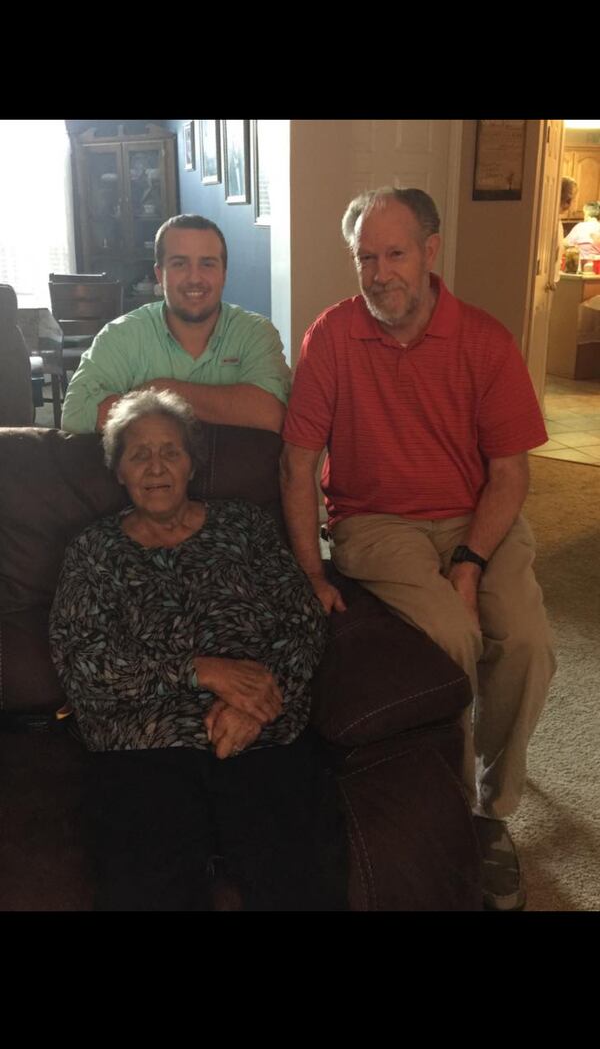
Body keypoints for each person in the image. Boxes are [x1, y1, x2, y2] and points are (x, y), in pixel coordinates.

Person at [280, 186, 557, 913]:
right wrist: (312, 568)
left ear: (431, 253)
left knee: (527, 640)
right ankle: (455, 809)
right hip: (377, 523)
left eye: (393, 254)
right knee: (452, 638)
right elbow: (299, 460)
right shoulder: (332, 336)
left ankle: (494, 808)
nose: (378, 274)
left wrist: (470, 559)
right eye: (365, 258)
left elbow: (510, 473)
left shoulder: (485, 339)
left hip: (477, 513)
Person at [49, 389, 347, 911]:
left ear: (192, 463)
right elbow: (83, 664)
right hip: (143, 749)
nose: (156, 466)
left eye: (171, 451)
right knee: (145, 889)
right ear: (118, 470)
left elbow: (301, 618)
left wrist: (256, 701)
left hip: (260, 731)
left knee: (300, 882)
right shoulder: (93, 551)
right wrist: (200, 671)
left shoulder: (245, 526)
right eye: (139, 453)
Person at [60, 214, 291, 435]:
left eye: (207, 264)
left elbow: (272, 414)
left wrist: (160, 391)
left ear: (224, 274)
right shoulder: (122, 335)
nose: (194, 278)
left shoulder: (255, 333)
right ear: (160, 275)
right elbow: (76, 414)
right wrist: (228, 406)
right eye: (180, 264)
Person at [555, 176, 578, 283]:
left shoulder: (556, 220)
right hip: (549, 281)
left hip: (551, 280)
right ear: (568, 201)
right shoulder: (553, 222)